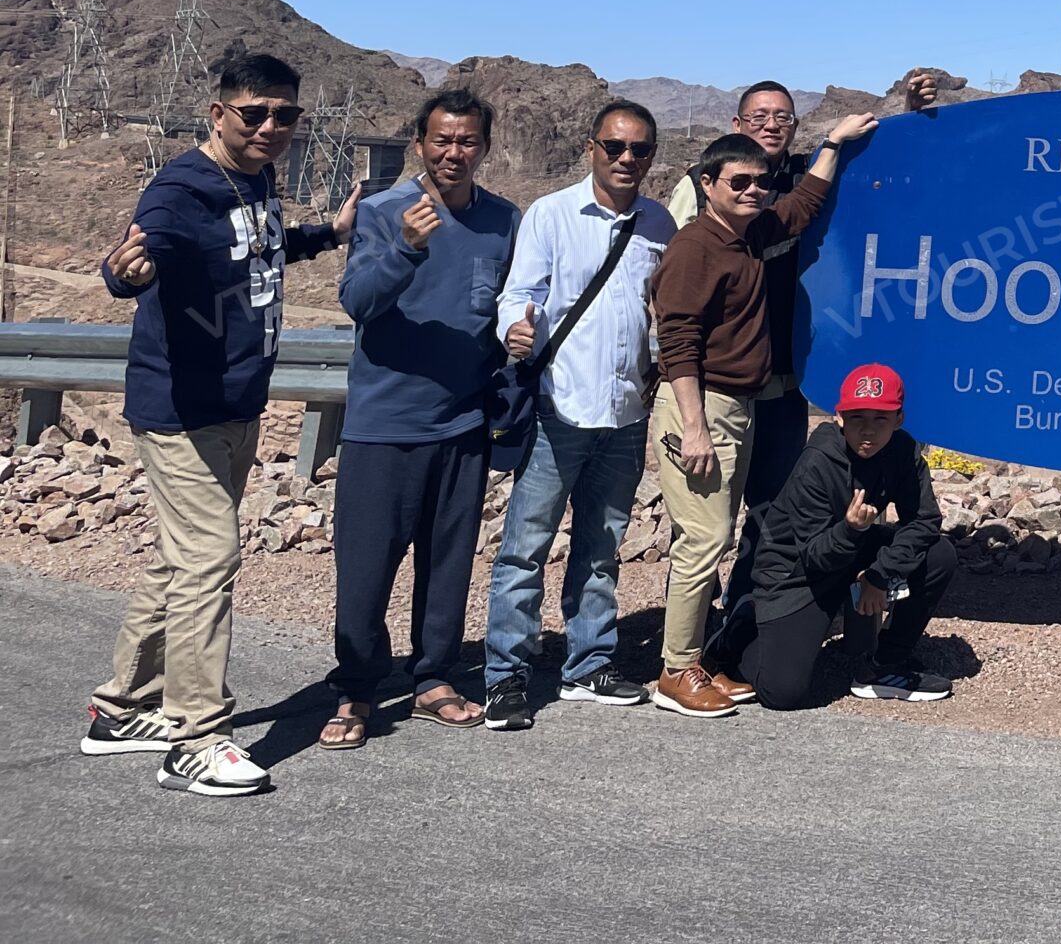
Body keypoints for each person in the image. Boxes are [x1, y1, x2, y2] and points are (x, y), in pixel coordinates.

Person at [84, 47, 359, 797]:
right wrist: (122, 274)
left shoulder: (255, 178)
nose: (272, 126)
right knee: (210, 561)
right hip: (181, 411)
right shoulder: (181, 187)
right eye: (255, 113)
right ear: (219, 113)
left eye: (286, 115)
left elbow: (258, 251)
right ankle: (196, 737)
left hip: (237, 402)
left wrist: (327, 234)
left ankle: (120, 710)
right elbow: (138, 258)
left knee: (179, 563)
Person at [685, 74, 938, 676]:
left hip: (784, 382)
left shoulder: (801, 176)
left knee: (772, 512)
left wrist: (906, 111)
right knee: (706, 527)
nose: (772, 125)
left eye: (783, 117)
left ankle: (746, 622)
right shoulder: (716, 190)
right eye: (759, 116)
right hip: (721, 387)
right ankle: (688, 651)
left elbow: (871, 165)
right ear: (737, 125)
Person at [649, 107, 885, 718]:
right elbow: (677, 341)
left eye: (759, 182)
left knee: (719, 532)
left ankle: (698, 662)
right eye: (738, 183)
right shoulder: (694, 248)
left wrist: (832, 143)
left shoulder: (748, 234)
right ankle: (677, 672)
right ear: (708, 186)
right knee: (703, 539)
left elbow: (802, 203)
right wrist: (695, 427)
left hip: (742, 407)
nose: (753, 191)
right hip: (703, 411)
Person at [323, 89, 521, 747]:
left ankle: (433, 677)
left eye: (467, 141)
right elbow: (357, 302)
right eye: (442, 140)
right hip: (384, 423)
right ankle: (356, 688)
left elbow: (503, 306)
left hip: (462, 423)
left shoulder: (502, 220)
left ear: (484, 148)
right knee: (366, 566)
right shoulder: (385, 213)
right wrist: (406, 248)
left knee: (448, 562)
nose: (453, 153)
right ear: (419, 144)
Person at [482, 99, 677, 732]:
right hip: (559, 405)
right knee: (526, 548)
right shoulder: (552, 214)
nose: (627, 159)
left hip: (625, 411)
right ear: (591, 148)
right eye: (615, 147)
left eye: (640, 150)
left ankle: (587, 663)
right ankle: (506, 675)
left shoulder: (658, 224)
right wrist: (515, 326)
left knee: (602, 544)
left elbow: (658, 309)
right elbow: (521, 291)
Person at [744, 362, 957, 709]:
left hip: (851, 547)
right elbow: (813, 555)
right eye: (857, 418)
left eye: (880, 419)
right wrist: (851, 528)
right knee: (781, 694)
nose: (868, 431)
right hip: (796, 572)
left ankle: (884, 666)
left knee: (939, 555)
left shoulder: (904, 451)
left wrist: (879, 574)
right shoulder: (818, 461)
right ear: (839, 418)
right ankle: (743, 631)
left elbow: (924, 521)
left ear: (899, 420)